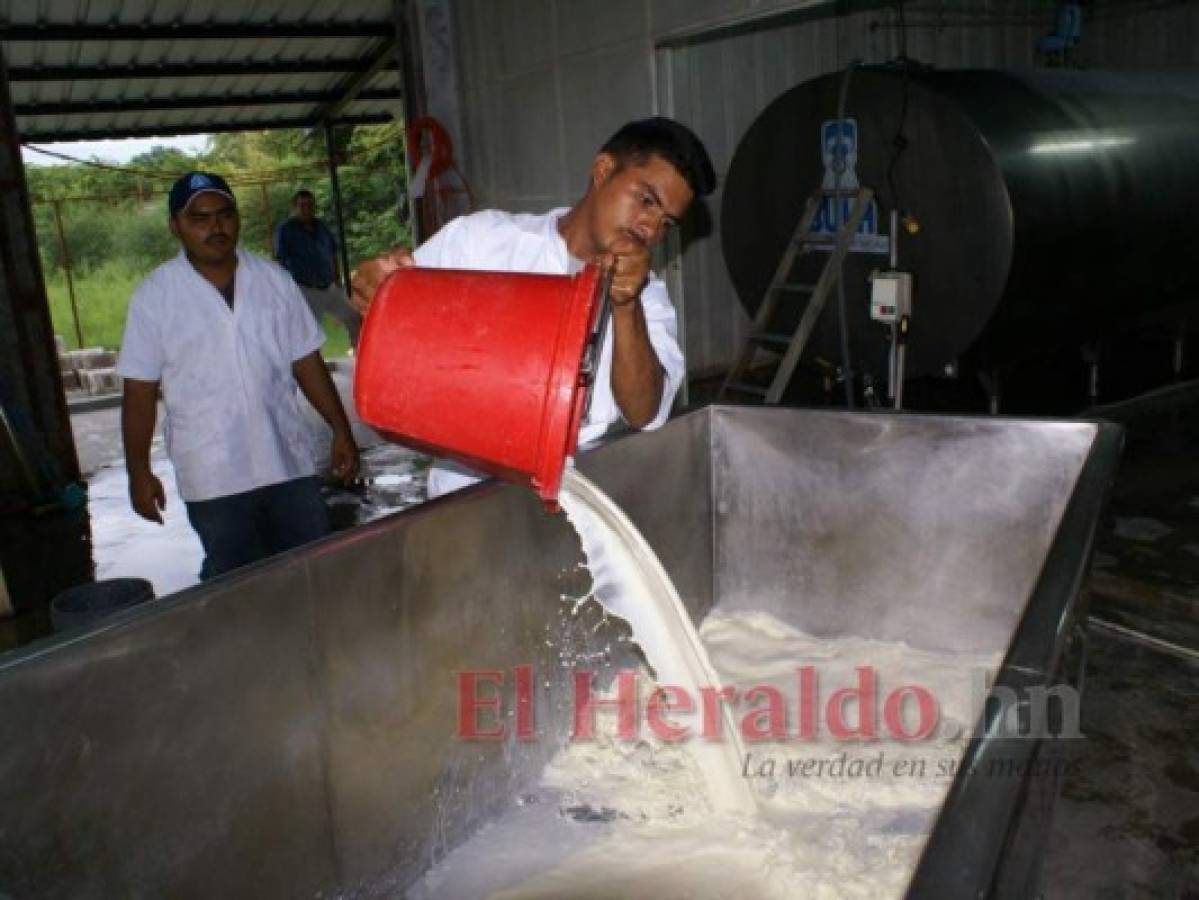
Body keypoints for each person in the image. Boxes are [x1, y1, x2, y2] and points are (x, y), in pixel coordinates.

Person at [350, 117, 715, 498]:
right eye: (646, 201)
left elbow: (644, 413)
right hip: (464, 494)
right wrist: (374, 287)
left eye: (666, 223)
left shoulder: (648, 298)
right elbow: (390, 311)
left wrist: (626, 307)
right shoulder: (483, 242)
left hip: (575, 497)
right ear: (603, 171)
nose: (651, 229)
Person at [117, 171, 360, 579]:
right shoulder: (155, 298)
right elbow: (139, 392)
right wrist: (138, 471)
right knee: (233, 591)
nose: (216, 227)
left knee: (313, 577)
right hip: (214, 474)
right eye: (200, 218)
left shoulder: (275, 282)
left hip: (286, 460)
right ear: (175, 227)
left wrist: (341, 429)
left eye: (225, 214)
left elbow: (307, 362)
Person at [274, 189, 362, 349]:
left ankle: (360, 356)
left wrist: (337, 278)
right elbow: (280, 260)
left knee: (354, 318)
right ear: (294, 207)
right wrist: (285, 289)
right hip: (305, 288)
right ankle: (316, 370)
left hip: (329, 287)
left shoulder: (321, 226)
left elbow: (333, 252)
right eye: (302, 205)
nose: (307, 208)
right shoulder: (286, 230)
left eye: (310, 204)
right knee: (310, 333)